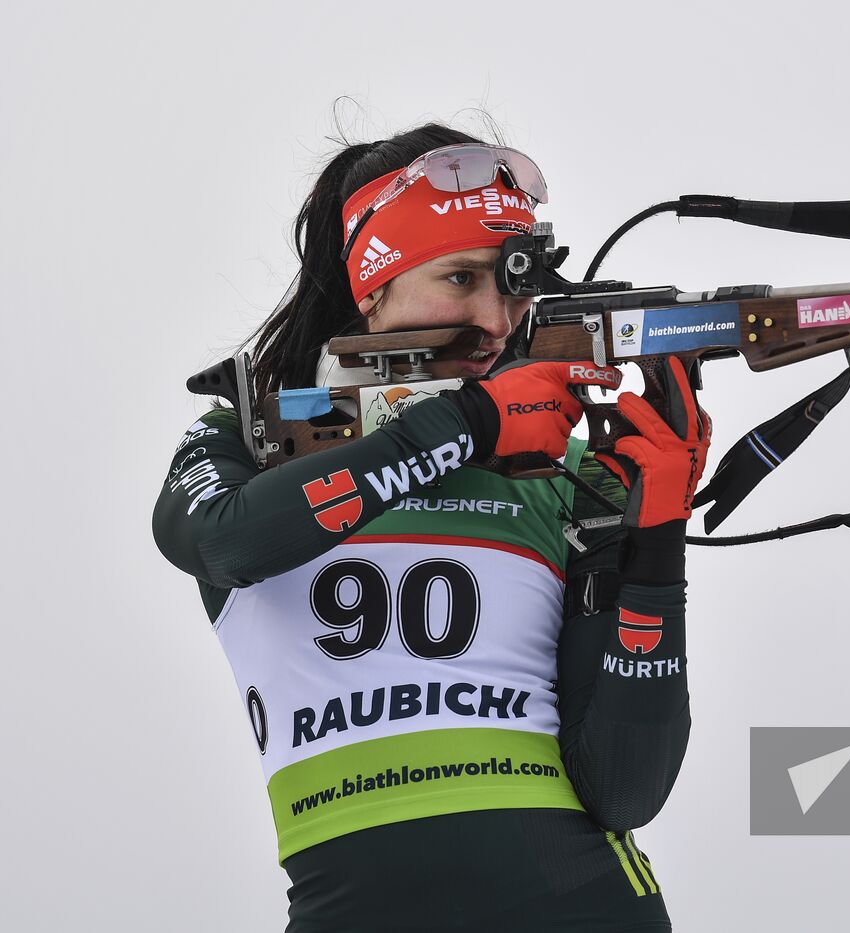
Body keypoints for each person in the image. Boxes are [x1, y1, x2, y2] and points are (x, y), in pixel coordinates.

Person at [152, 123, 710, 932]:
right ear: (371, 286)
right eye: (460, 277)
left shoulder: (575, 472)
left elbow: (627, 788)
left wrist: (656, 539)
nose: (493, 319)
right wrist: (469, 424)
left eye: (512, 286)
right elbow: (225, 542)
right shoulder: (244, 438)